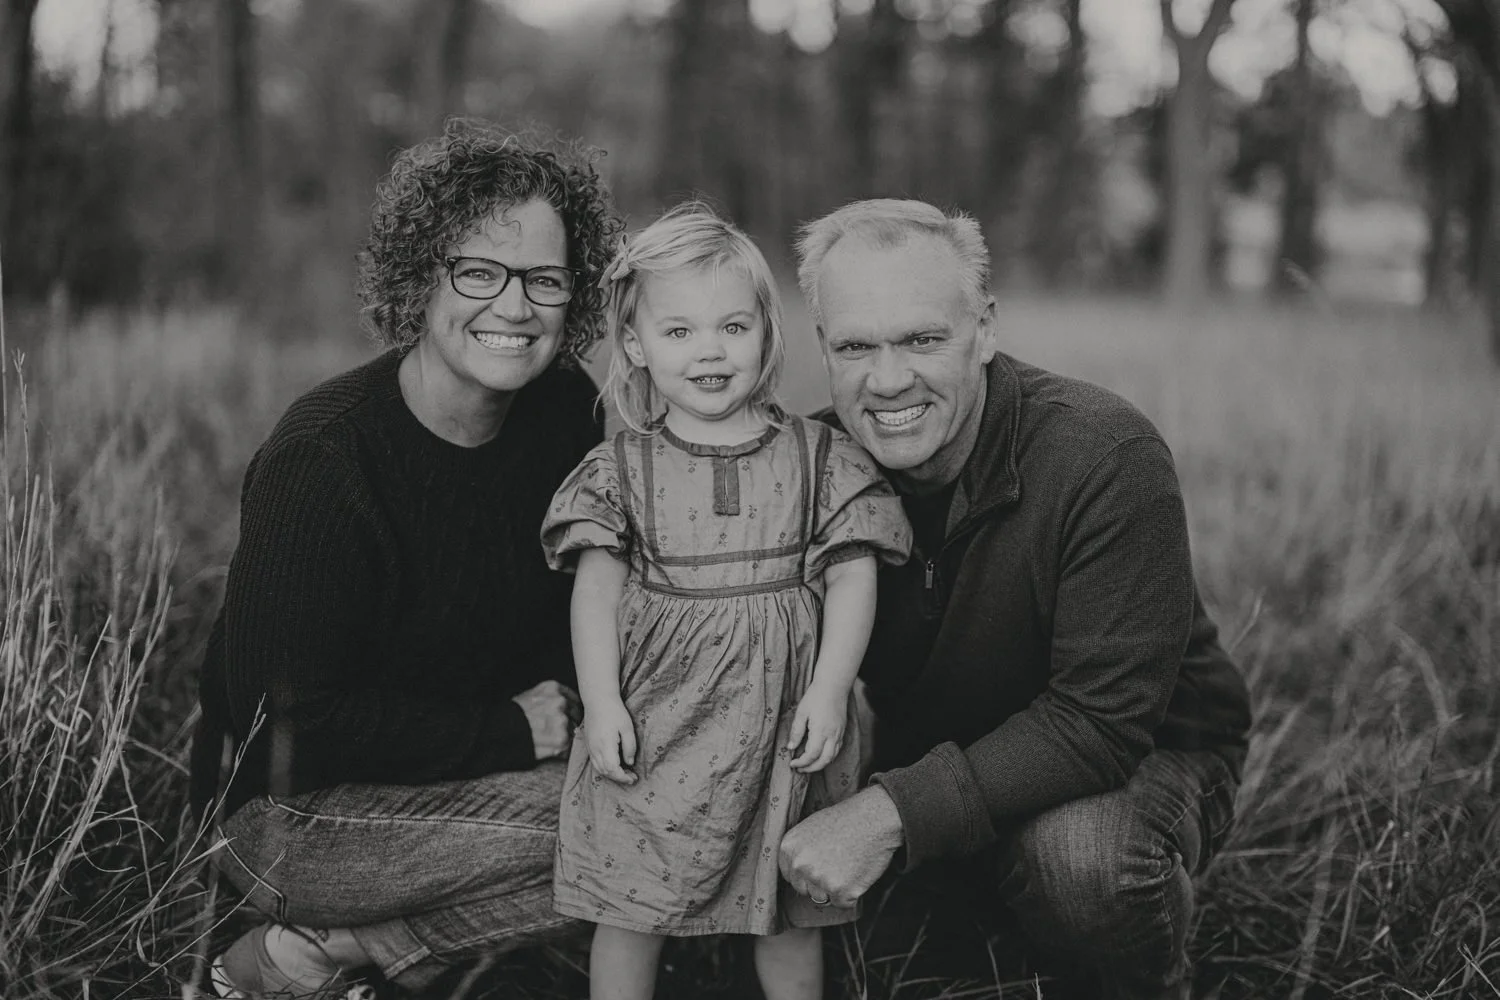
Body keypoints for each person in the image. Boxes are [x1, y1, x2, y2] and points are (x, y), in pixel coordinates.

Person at [776, 199, 1254, 1000]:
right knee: (878, 954)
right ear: (823, 345)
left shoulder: (1104, 456)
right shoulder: (809, 471)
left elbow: (1100, 724)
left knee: (1080, 861)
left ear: (985, 329)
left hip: (1147, 756)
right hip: (938, 757)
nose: (887, 381)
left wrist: (885, 815)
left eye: (922, 339)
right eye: (856, 346)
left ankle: (1151, 979)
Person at [187, 119, 622, 997]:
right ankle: (280, 942)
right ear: (421, 277)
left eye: (544, 279)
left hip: (474, 783)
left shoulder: (563, 411)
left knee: (680, 809)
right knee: (646, 833)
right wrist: (509, 732)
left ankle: (318, 955)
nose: (514, 307)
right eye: (478, 272)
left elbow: (573, 602)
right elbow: (288, 716)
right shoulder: (327, 458)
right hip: (293, 817)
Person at [538, 204, 911, 1000]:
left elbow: (853, 574)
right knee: (631, 902)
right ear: (635, 345)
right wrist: (601, 704)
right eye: (678, 331)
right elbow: (595, 593)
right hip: (660, 721)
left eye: (732, 327)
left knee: (786, 905)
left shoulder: (819, 457)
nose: (709, 350)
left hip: (782, 722)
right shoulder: (621, 469)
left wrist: (831, 689)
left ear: (766, 334)